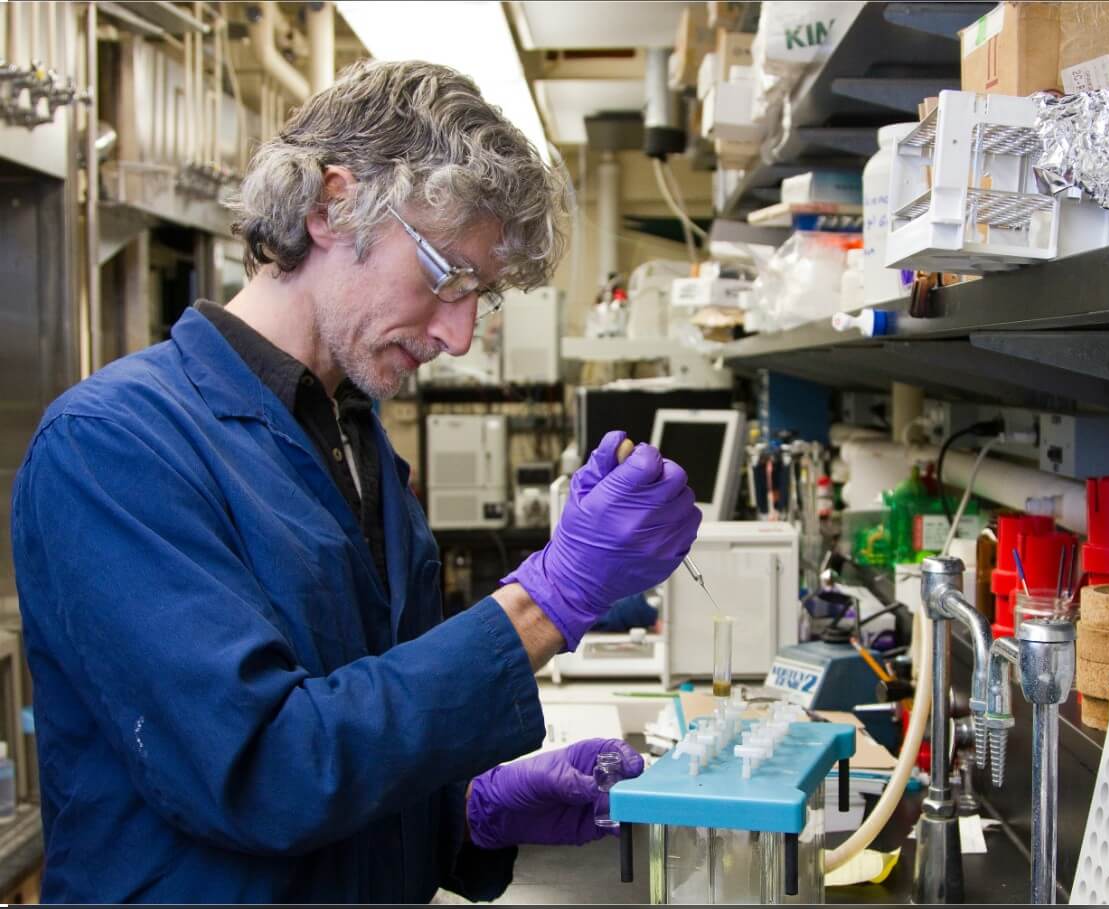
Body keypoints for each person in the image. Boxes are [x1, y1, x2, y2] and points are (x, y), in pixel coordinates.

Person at [10, 60, 701, 902]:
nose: (459, 333)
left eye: (479, 294)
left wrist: (470, 811)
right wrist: (545, 601)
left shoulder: (356, 441)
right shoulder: (116, 446)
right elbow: (265, 770)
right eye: (446, 275)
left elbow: (367, 727)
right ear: (331, 205)